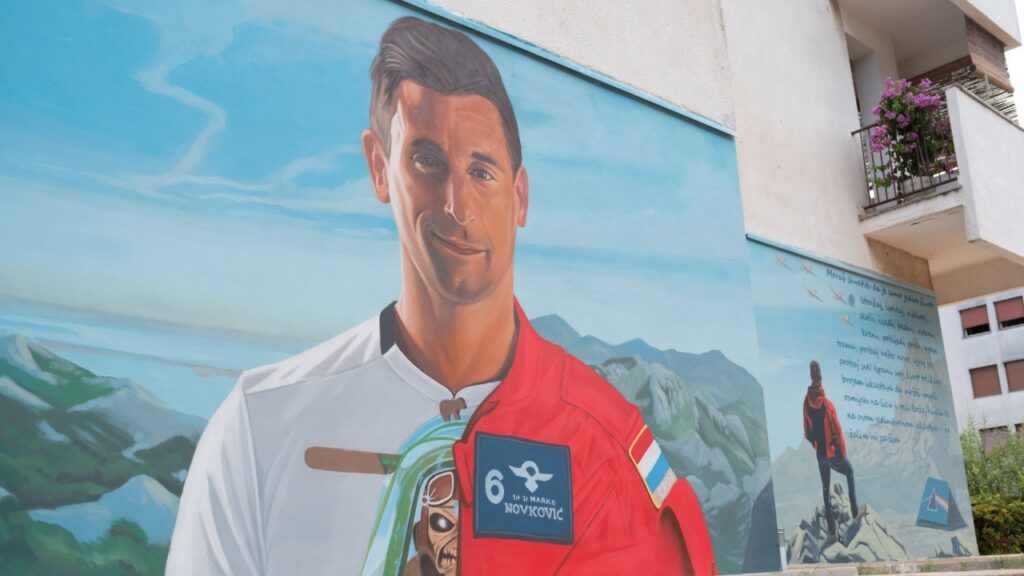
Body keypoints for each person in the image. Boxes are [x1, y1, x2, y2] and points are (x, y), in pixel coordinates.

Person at [168, 16, 714, 575]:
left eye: (482, 171)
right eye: (427, 161)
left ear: (520, 198)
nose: (457, 206)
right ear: (379, 169)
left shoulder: (610, 444)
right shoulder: (259, 426)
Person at [802, 360, 860, 539]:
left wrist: (816, 444)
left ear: (811, 378)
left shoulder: (806, 402)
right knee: (850, 472)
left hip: (820, 454)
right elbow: (837, 430)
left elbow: (807, 431)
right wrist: (840, 452)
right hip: (832, 453)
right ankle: (855, 513)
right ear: (820, 379)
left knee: (825, 489)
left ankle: (833, 531)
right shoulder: (827, 405)